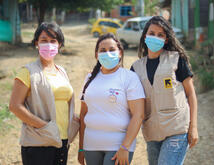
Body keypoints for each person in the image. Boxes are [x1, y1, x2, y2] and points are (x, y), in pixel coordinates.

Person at [131, 16, 198, 165]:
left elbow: (191, 94)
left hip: (177, 129)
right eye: (152, 33)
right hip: (151, 132)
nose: (155, 37)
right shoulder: (136, 68)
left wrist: (193, 127)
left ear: (166, 39)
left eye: (160, 35)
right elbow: (132, 104)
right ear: (145, 36)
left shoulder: (176, 59)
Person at [9, 22, 79, 165]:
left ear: (59, 44)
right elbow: (15, 106)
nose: (49, 45)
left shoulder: (62, 71)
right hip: (39, 142)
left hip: (62, 140)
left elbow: (63, 101)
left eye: (53, 41)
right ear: (37, 43)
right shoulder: (28, 72)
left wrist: (74, 118)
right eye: (44, 41)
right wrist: (44, 126)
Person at [78, 33, 145, 165]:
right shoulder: (89, 79)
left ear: (120, 53)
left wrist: (125, 147)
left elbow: (138, 115)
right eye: (103, 50)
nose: (107, 53)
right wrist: (81, 147)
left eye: (112, 50)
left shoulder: (129, 77)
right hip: (91, 145)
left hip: (118, 146)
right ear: (96, 55)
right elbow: (83, 114)